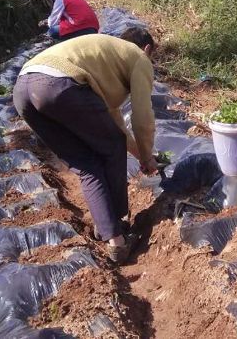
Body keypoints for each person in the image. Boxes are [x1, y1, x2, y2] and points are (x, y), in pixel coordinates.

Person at [12, 27, 158, 263]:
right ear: (148, 48)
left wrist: (141, 155)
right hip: (58, 84)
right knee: (111, 149)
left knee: (87, 164)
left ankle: (111, 234)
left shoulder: (104, 57)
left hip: (23, 90)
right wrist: (148, 156)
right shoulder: (139, 57)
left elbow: (116, 124)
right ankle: (118, 224)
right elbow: (142, 117)